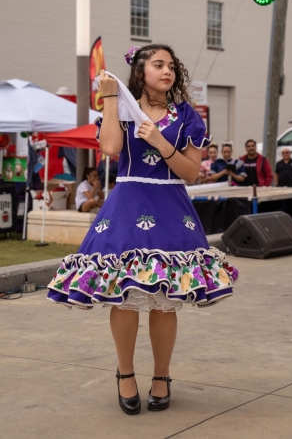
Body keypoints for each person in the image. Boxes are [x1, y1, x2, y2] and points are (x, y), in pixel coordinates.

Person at [47, 44, 239, 415]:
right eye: (157, 64)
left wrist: (160, 142)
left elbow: (189, 172)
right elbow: (111, 149)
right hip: (128, 203)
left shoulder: (187, 115)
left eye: (170, 65)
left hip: (172, 208)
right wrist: (110, 99)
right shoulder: (121, 106)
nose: (166, 70)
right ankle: (124, 373)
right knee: (124, 296)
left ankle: (162, 376)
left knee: (166, 302)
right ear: (140, 71)